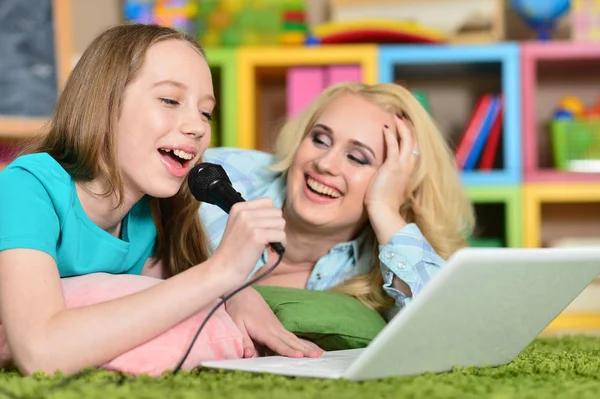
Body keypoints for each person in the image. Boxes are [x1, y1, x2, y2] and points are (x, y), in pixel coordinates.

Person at [0, 23, 320, 376]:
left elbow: (168, 295)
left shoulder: (146, 219)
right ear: (104, 103)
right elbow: (40, 353)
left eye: (205, 112)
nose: (197, 127)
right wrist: (221, 272)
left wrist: (239, 295)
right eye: (170, 100)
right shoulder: (27, 186)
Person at [201, 82, 476, 358]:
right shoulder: (221, 176)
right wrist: (229, 295)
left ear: (396, 182)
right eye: (320, 140)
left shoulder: (383, 265)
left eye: (357, 158)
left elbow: (455, 332)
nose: (325, 164)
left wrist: (385, 208)